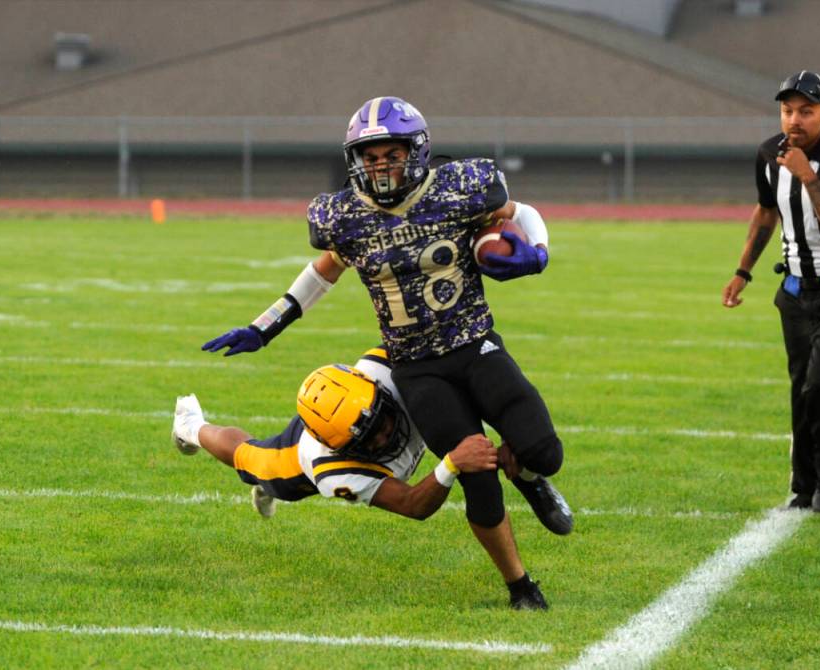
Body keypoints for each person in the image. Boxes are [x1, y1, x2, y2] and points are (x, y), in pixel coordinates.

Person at [202, 97, 572, 607]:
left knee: (544, 452)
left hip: (476, 344)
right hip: (417, 369)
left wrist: (539, 252)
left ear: (415, 152)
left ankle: (528, 476)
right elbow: (324, 271)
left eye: (389, 154)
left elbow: (521, 212)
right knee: (477, 482)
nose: (379, 165)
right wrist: (265, 327)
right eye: (368, 156)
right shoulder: (347, 216)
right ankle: (520, 586)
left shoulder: (459, 187)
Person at [172, 347, 548, 610]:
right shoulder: (330, 466)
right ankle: (191, 425)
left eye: (382, 421)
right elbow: (412, 505)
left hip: (341, 416)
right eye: (371, 437)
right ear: (344, 447)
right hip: (298, 460)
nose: (386, 436)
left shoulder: (386, 367)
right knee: (250, 459)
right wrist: (450, 464)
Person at [722, 71, 820, 513]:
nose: (795, 120)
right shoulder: (770, 154)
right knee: (800, 388)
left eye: (806, 111)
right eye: (788, 110)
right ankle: (804, 484)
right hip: (794, 290)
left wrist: (808, 176)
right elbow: (766, 212)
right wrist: (742, 271)